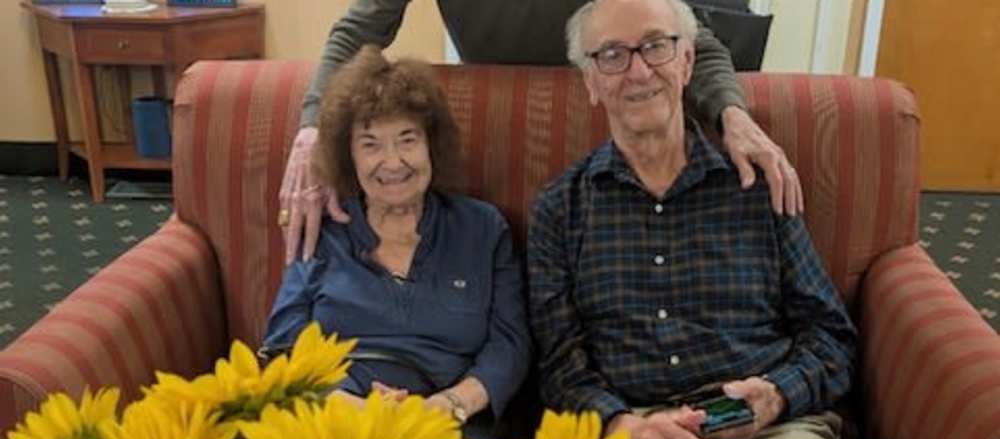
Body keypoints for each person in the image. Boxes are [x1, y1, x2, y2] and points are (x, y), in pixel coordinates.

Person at [527, 0, 857, 439]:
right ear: (589, 81)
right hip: (635, 431)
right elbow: (560, 366)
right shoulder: (561, 210)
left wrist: (777, 393)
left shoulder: (755, 184)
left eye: (654, 46)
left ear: (687, 60)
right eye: (611, 56)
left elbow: (831, 335)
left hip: (772, 429)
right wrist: (622, 427)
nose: (636, 69)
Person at [259, 45, 531, 439]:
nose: (392, 162)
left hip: (448, 426)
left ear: (432, 144)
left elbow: (511, 341)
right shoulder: (323, 227)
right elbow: (281, 341)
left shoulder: (481, 229)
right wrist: (345, 401)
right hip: (333, 421)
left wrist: (451, 405)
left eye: (407, 139)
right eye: (370, 144)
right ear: (346, 157)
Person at [278, 0, 804, 265]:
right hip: (505, 119)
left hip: (609, 105)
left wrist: (734, 115)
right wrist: (311, 131)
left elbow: (690, 36)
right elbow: (358, 31)